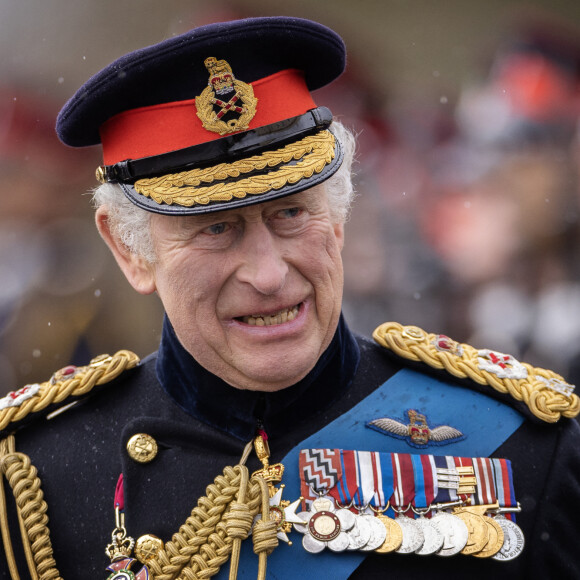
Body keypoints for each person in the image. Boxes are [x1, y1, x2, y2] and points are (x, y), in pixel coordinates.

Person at [0, 16, 578, 580]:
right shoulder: (39, 477)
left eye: (291, 213)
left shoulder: (522, 447)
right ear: (130, 251)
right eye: (214, 228)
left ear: (340, 218)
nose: (270, 274)